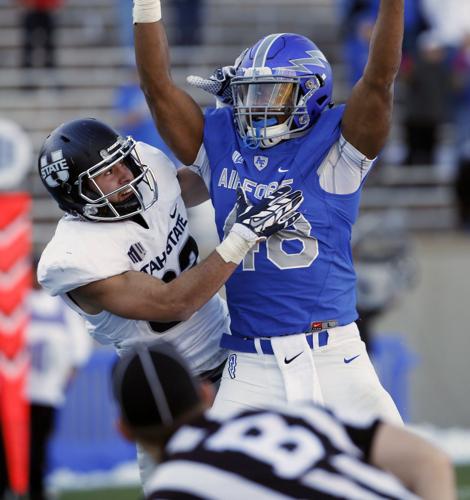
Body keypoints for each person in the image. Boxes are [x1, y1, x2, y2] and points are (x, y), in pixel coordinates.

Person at [132, 0, 405, 423]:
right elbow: (157, 86)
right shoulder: (223, 141)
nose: (255, 106)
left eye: (271, 92)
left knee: (394, 485)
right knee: (219, 486)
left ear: (311, 94)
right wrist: (146, 5)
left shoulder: (337, 149)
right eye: (249, 92)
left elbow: (380, 79)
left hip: (335, 357)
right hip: (250, 362)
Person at [36, 117, 302, 488]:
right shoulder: (75, 256)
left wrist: (244, 144)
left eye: (120, 163)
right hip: (172, 396)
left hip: (237, 360)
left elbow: (184, 187)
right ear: (74, 194)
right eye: (105, 176)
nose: (124, 176)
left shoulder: (145, 167)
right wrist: (244, 234)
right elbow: (173, 303)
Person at [112, 340, 456, 500]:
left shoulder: (175, 486)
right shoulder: (296, 417)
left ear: (124, 432)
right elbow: (432, 462)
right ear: (205, 394)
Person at [26, 262, 92, 500]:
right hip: (22, 392)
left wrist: (69, 372)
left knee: (38, 443)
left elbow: (79, 347)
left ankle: (35, 488)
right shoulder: (20, 304)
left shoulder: (59, 305)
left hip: (46, 390)